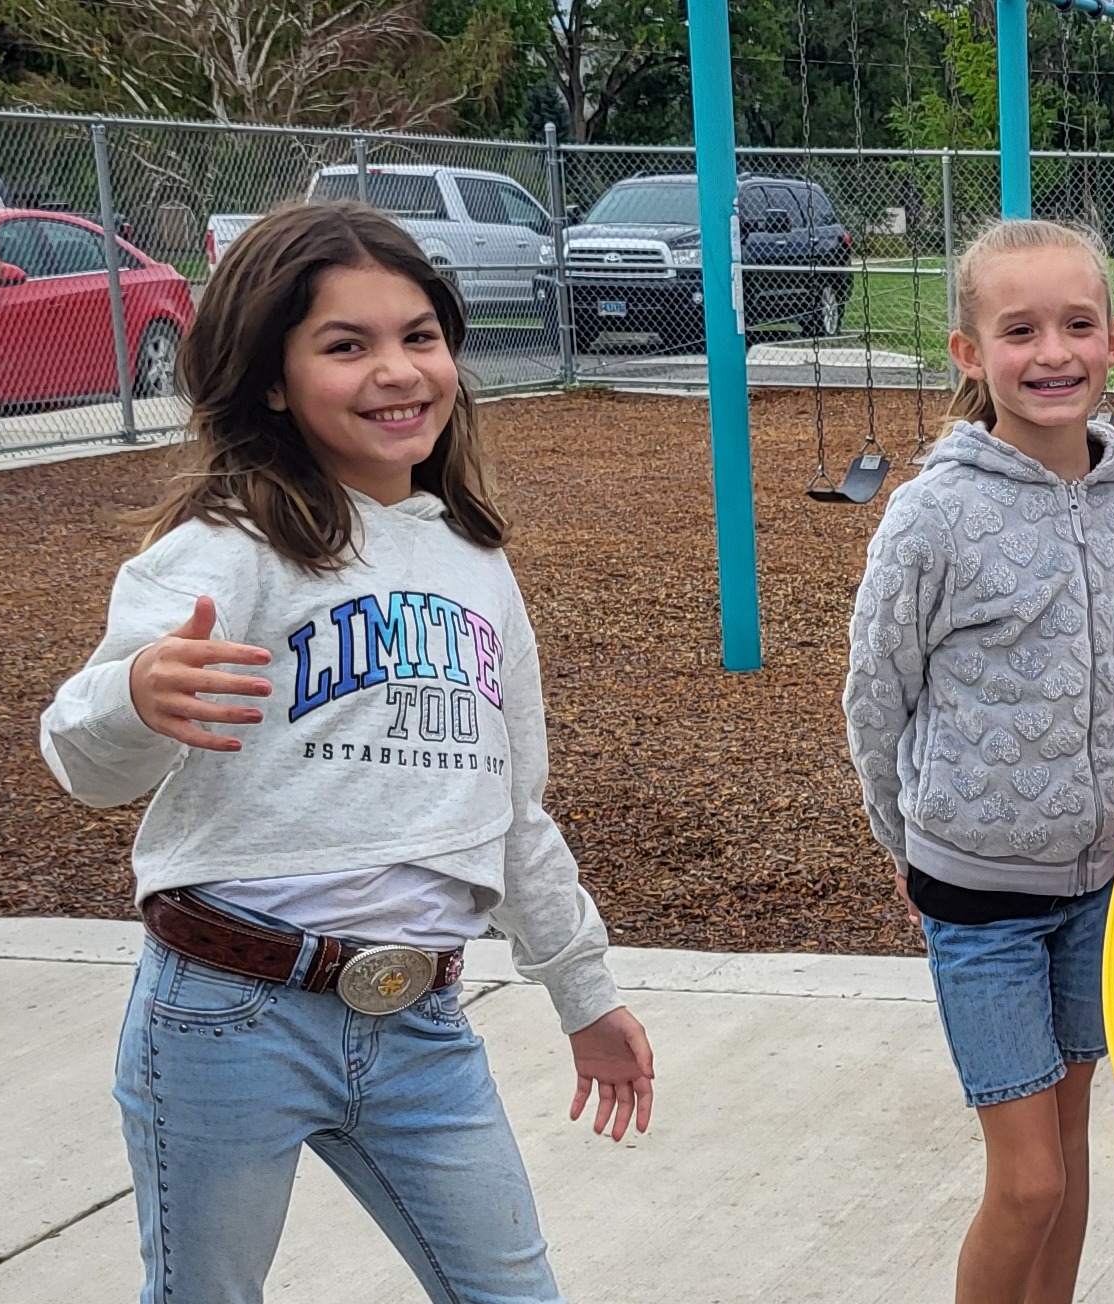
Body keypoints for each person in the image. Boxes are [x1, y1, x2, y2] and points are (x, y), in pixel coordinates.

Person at [37, 201, 655, 1304]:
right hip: (228, 1013)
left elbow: (516, 806)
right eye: (346, 344)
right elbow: (88, 760)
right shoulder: (226, 545)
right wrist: (135, 695)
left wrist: (582, 988)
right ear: (271, 379)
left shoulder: (473, 558)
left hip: (421, 1026)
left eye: (419, 336)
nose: (397, 369)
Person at [843, 217, 1114, 1304]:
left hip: (1098, 878)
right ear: (970, 354)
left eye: (1077, 325)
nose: (1053, 352)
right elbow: (876, 694)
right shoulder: (931, 515)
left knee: (1071, 1157)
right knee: (1025, 1180)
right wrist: (903, 836)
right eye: (1019, 329)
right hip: (979, 887)